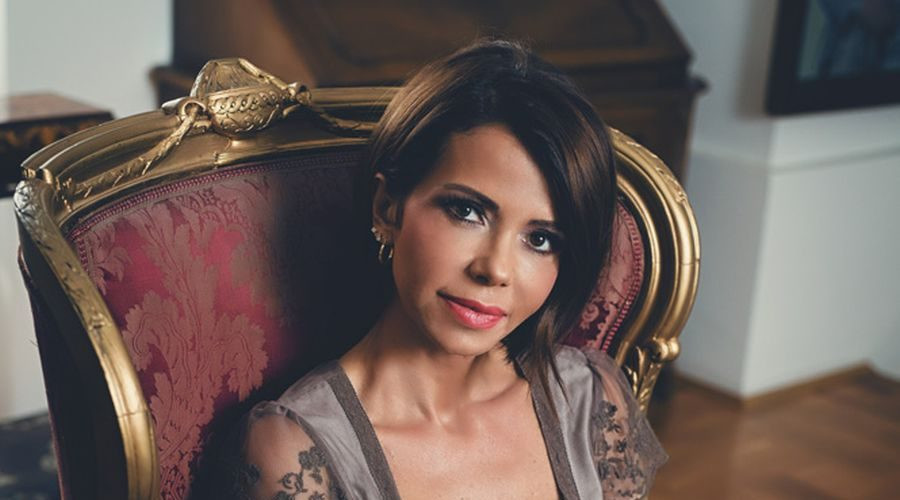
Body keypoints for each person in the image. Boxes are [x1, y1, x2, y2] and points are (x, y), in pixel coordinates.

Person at [228, 39, 666, 499]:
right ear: (387, 208)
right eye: (467, 212)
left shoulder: (589, 399)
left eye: (540, 240)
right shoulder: (297, 450)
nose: (495, 269)